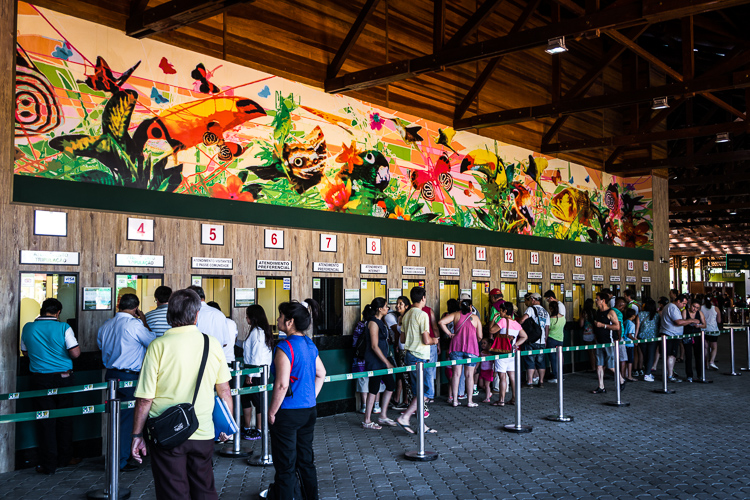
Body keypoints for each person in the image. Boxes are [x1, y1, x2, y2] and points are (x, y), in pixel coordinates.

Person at [131, 289, 232, 499]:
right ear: (196, 315)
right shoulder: (211, 343)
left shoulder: (158, 346)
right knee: (204, 489)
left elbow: (145, 399)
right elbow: (224, 390)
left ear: (169, 315)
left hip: (167, 432)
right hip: (203, 430)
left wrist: (137, 435)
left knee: (173, 492)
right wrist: (227, 426)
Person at [267, 301, 326, 500]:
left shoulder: (284, 347)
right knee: (306, 462)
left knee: (286, 467)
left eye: (280, 316)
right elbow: (321, 373)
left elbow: (282, 385)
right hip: (308, 412)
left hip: (288, 414)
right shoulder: (309, 344)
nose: (277, 320)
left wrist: (272, 412)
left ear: (290, 321)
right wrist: (310, 397)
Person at [20, 298, 81, 475]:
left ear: (42, 310)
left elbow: (25, 352)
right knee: (65, 419)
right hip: (64, 379)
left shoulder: (28, 327)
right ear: (58, 312)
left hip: (39, 380)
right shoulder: (64, 328)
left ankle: (48, 464)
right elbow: (75, 353)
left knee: (45, 421)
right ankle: (65, 458)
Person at [97, 293, 156, 471]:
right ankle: (120, 461)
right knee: (127, 420)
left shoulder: (106, 325)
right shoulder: (135, 325)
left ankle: (116, 457)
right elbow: (153, 342)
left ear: (119, 306)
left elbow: (100, 345)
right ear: (136, 308)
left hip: (111, 376)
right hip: (129, 378)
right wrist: (144, 322)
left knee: (115, 417)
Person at [396, 287, 439, 435]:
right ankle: (405, 417)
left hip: (409, 356)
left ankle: (422, 424)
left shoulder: (406, 315)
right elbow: (426, 340)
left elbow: (402, 339)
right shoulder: (422, 315)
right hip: (420, 357)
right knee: (427, 391)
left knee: (417, 392)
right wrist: (434, 340)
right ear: (423, 298)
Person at [439, 298, 483, 408]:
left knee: (456, 374)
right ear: (470, 307)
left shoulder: (455, 315)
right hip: (471, 349)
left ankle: (454, 400)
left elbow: (441, 322)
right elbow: (480, 336)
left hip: (456, 348)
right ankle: (469, 401)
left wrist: (449, 333)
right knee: (469, 375)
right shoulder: (475, 318)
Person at [361, 298, 397, 429]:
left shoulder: (382, 321)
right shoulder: (373, 323)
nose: (388, 308)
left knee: (390, 385)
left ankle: (383, 415)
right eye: (386, 306)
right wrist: (386, 362)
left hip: (382, 360)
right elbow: (374, 346)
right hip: (375, 361)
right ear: (380, 309)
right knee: (373, 388)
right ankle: (367, 420)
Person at [241, 304, 273, 441]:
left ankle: (259, 429)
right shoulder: (260, 331)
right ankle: (247, 427)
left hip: (256, 373)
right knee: (246, 398)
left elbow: (256, 356)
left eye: (247, 316)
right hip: (256, 372)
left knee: (258, 401)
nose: (246, 318)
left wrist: (250, 374)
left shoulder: (257, 332)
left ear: (253, 317)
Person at [489, 302, 527, 406]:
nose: (500, 312)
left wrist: (493, 319)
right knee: (512, 377)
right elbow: (524, 336)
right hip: (512, 353)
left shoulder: (502, 321)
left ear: (505, 311)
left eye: (501, 310)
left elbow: (491, 330)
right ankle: (514, 398)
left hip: (502, 353)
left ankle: (501, 400)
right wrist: (516, 344)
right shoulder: (516, 323)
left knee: (502, 376)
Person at [660, 293, 701, 382]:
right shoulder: (673, 308)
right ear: (678, 301)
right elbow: (678, 322)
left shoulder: (670, 307)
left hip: (671, 334)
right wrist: (691, 320)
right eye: (683, 303)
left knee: (671, 355)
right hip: (671, 334)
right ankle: (670, 376)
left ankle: (669, 374)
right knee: (671, 355)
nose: (684, 306)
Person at [591, 292, 622, 394]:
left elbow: (617, 326)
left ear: (603, 301)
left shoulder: (611, 312)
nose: (596, 301)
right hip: (599, 341)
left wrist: (603, 325)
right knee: (599, 364)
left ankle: (621, 380)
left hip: (609, 342)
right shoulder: (598, 312)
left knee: (610, 366)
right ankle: (601, 387)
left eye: (597, 299)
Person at [187, 285, 230, 353]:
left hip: (198, 356)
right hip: (217, 356)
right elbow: (225, 343)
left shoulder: (192, 314)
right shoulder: (219, 314)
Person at [519, 292, 549, 388]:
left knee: (530, 361)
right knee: (541, 362)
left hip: (532, 339)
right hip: (542, 340)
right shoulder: (545, 312)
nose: (526, 302)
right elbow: (547, 328)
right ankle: (541, 382)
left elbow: (522, 320)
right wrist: (545, 339)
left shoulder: (531, 309)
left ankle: (530, 382)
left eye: (527, 300)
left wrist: (517, 326)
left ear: (532, 299)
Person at [388, 296, 411, 408]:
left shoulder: (408, 317)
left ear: (406, 306)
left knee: (407, 377)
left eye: (400, 304)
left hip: (407, 350)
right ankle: (406, 402)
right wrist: (397, 345)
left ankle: (407, 402)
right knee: (403, 376)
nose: (397, 306)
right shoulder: (400, 318)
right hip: (401, 349)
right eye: (397, 303)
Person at [543, 290, 565, 384]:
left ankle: (556, 376)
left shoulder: (550, 319)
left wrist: (545, 339)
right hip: (560, 339)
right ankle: (560, 375)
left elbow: (547, 329)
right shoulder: (563, 318)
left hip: (551, 339)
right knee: (559, 357)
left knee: (553, 359)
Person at [636, 298, 660, 382]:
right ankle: (647, 374)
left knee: (645, 355)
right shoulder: (656, 315)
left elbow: (637, 327)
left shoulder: (640, 314)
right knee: (651, 355)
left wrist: (635, 337)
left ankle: (648, 372)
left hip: (642, 337)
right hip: (653, 338)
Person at [683, 300, 706, 383]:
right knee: (688, 355)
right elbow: (682, 323)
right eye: (693, 306)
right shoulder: (685, 312)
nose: (694, 309)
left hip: (697, 336)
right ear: (690, 305)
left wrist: (698, 325)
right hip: (687, 335)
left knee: (698, 355)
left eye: (697, 308)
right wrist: (692, 321)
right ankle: (689, 375)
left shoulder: (700, 313)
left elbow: (704, 325)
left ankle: (700, 374)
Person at [701, 296, 721, 370]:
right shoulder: (716, 308)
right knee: (714, 347)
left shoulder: (701, 308)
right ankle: (712, 361)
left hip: (703, 329)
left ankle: (706, 363)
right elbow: (719, 320)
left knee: (705, 347)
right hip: (713, 329)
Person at [579, 299, 597, 372]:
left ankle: (593, 367)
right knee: (595, 351)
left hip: (587, 333)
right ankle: (598, 366)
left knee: (590, 352)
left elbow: (581, 324)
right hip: (595, 333)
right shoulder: (594, 311)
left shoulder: (583, 312)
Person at [622, 308, 637, 382]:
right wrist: (635, 340)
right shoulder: (632, 324)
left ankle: (624, 374)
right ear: (633, 316)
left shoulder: (625, 322)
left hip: (624, 343)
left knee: (624, 360)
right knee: (630, 361)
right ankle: (629, 376)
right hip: (629, 344)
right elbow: (629, 335)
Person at [477, 338, 494, 403]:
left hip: (489, 371)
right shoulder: (481, 353)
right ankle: (489, 392)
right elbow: (478, 361)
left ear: (489, 344)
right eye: (482, 343)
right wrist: (476, 368)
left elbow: (494, 362)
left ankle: (487, 398)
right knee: (481, 384)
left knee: (487, 385)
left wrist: (495, 371)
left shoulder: (491, 353)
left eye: (484, 343)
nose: (483, 345)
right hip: (482, 371)